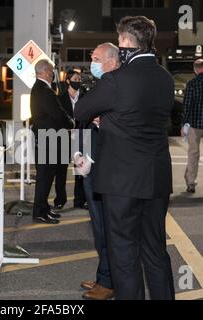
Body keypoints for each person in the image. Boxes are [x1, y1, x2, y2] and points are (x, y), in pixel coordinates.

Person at [75, 16, 175, 300]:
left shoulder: (116, 80)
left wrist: (104, 117)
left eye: (119, 41)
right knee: (156, 250)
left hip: (121, 181)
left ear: (129, 42)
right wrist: (110, 118)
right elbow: (141, 116)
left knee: (124, 253)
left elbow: (81, 110)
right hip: (156, 177)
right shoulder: (165, 78)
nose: (118, 46)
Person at [76, 43, 121, 300]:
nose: (91, 63)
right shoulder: (97, 86)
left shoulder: (116, 87)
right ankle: (104, 275)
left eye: (95, 58)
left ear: (111, 61)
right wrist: (78, 155)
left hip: (108, 168)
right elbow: (80, 122)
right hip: (90, 165)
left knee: (107, 227)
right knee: (98, 226)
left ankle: (108, 280)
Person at [30, 59, 75, 224]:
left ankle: (44, 208)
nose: (52, 73)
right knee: (45, 177)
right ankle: (40, 212)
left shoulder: (41, 89)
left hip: (47, 138)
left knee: (46, 177)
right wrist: (70, 122)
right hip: (48, 139)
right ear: (44, 71)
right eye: (51, 70)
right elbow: (57, 114)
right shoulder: (44, 91)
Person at [56, 70, 87, 210]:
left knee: (81, 170)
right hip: (64, 136)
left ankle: (80, 200)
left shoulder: (85, 97)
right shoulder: (60, 98)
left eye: (79, 78)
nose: (78, 81)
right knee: (61, 171)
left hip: (81, 136)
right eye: (75, 78)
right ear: (68, 81)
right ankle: (60, 200)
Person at [182, 59, 203, 194]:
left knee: (193, 154)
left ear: (196, 69)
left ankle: (191, 182)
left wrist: (184, 123)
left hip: (195, 124)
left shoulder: (192, 84)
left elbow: (187, 105)